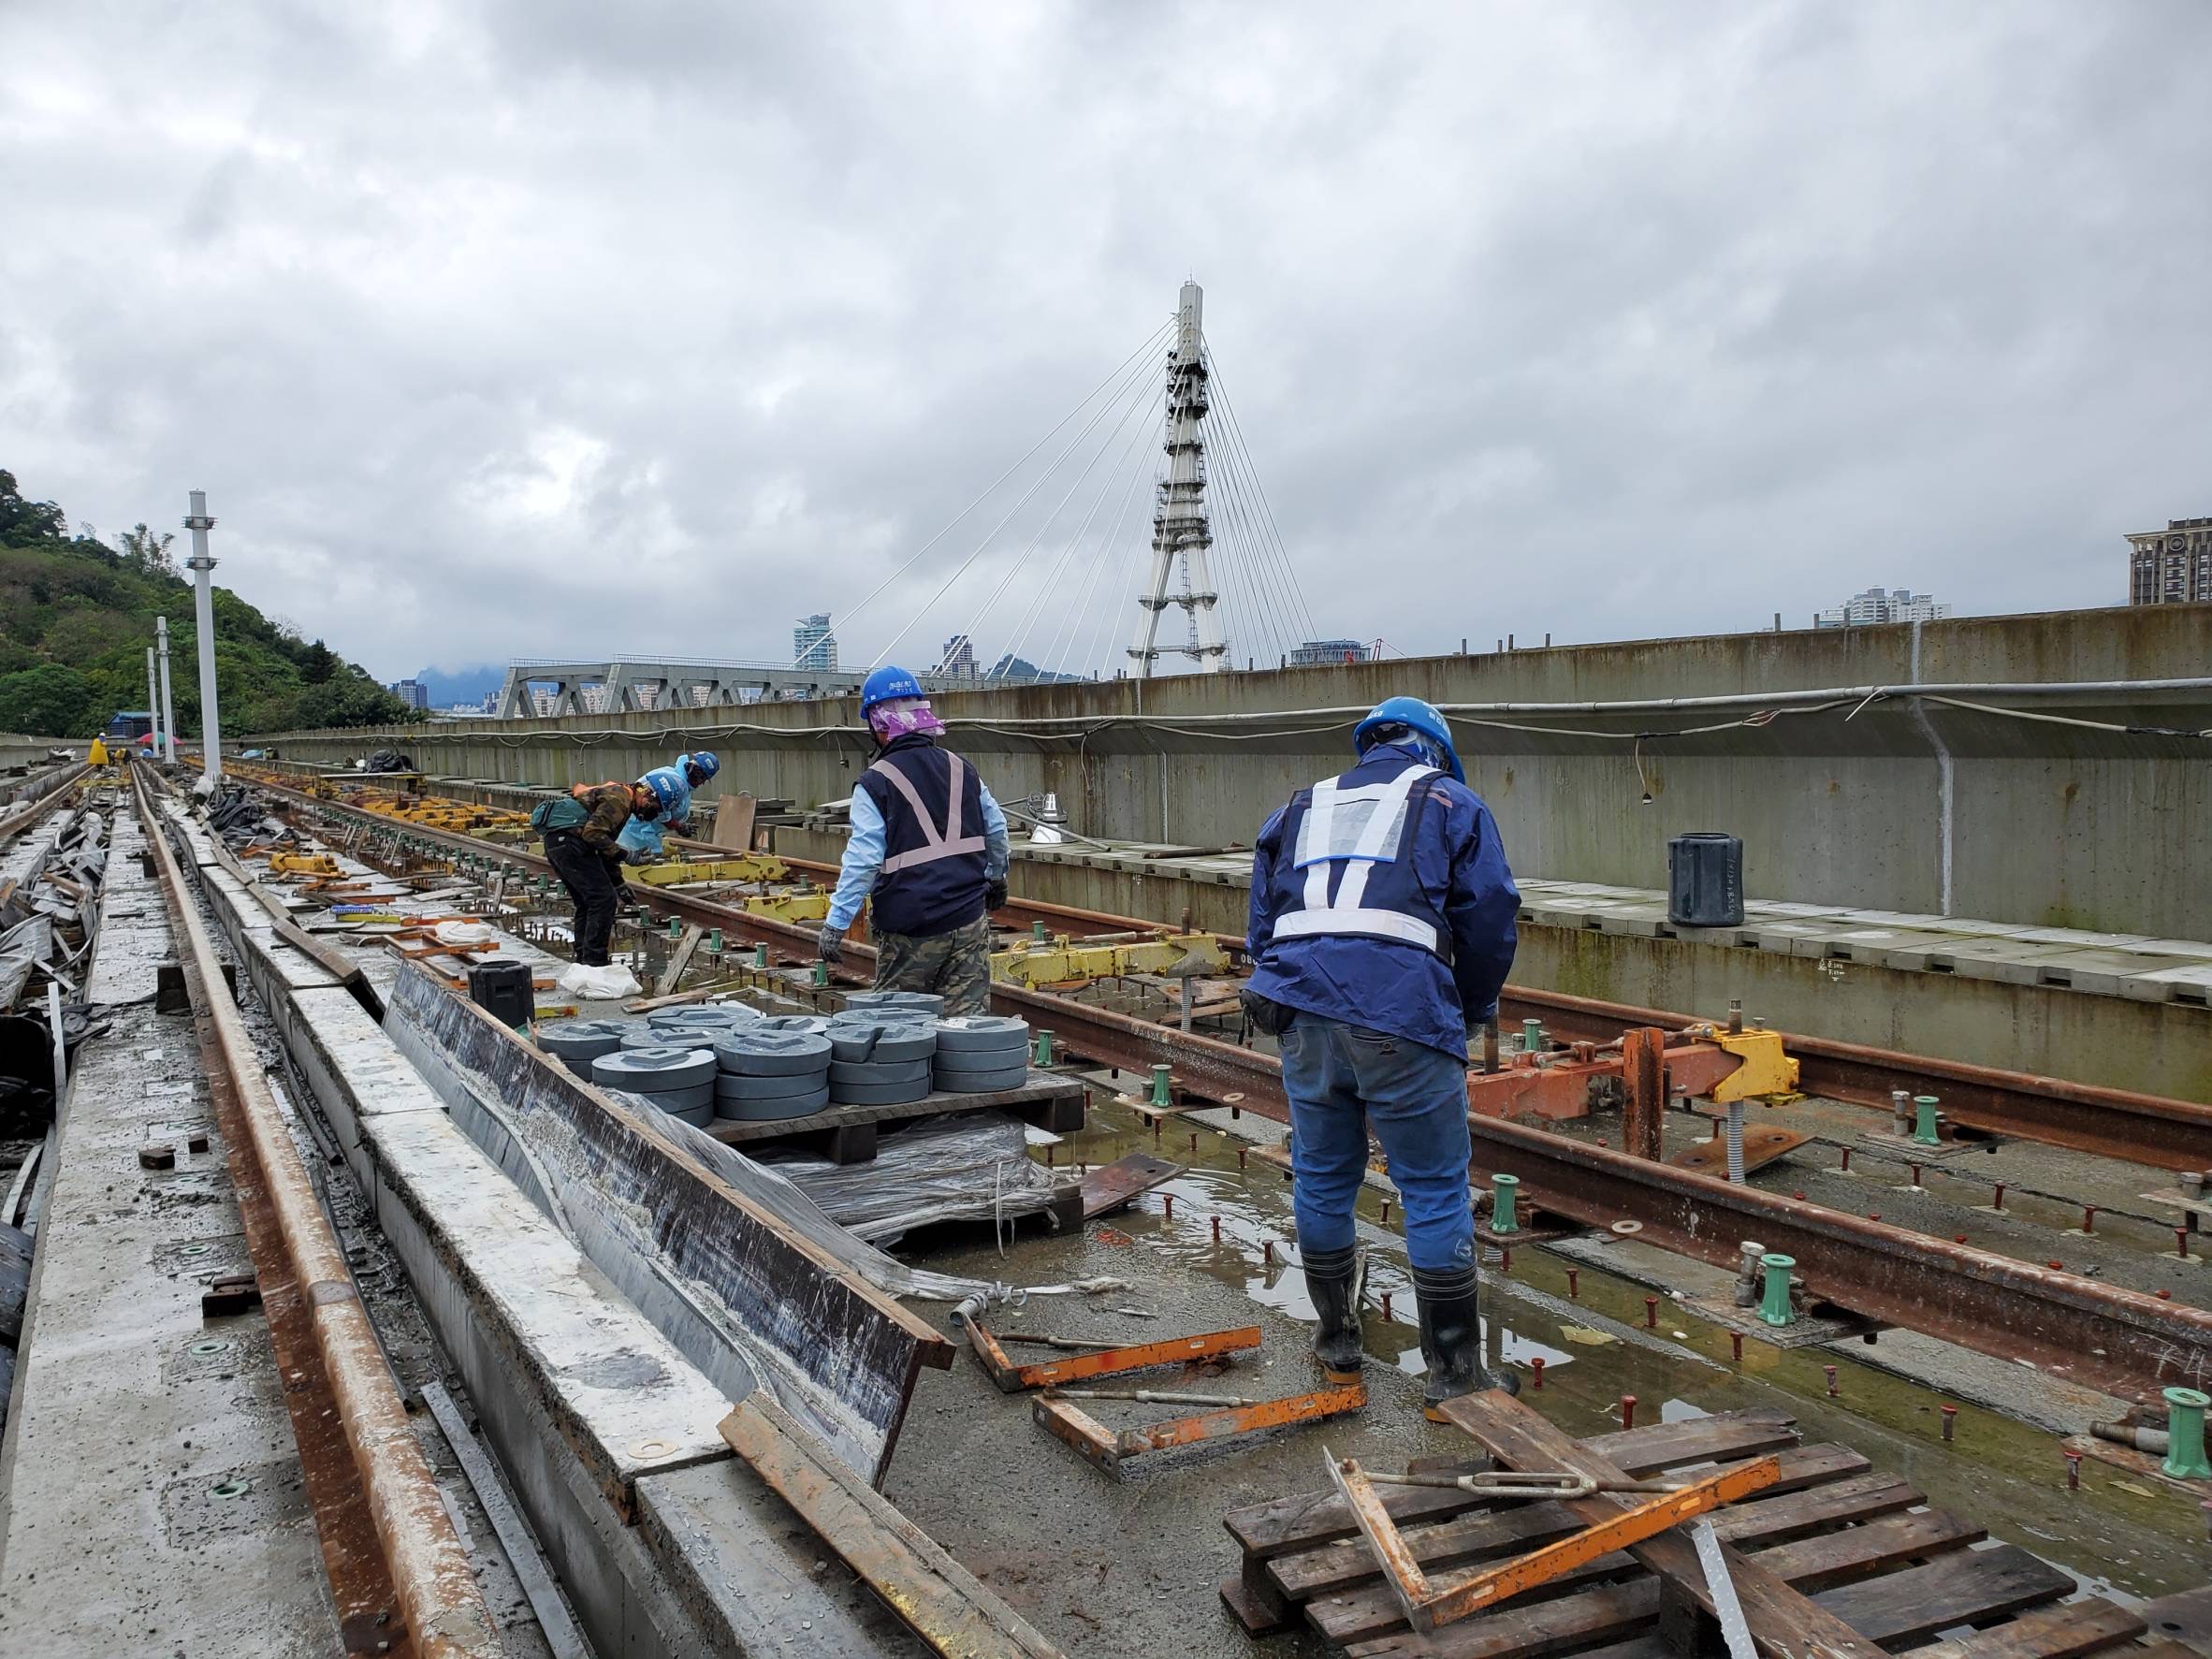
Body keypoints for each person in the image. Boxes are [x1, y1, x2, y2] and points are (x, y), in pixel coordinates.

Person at [1242, 695, 1521, 1418]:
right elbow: (1489, 918)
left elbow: (1262, 923)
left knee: (1324, 1176)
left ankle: (1337, 1344)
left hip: (1301, 1010)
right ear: (1436, 750)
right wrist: (1469, 1004)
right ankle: (1454, 1374)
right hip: (1402, 1014)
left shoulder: (1298, 807)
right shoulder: (1453, 803)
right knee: (1431, 1188)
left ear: (1370, 746)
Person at [817, 666, 1009, 1016]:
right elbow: (996, 828)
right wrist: (997, 876)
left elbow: (864, 859)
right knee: (966, 1033)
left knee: (902, 1032)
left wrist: (837, 922)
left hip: (910, 931)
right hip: (968, 922)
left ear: (877, 725)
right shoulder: (960, 767)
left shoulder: (874, 783)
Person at [536, 778, 659, 968]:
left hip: (558, 843)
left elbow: (603, 847)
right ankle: (594, 962)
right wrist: (627, 855)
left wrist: (618, 883)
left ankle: (584, 961)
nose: (653, 810)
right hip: (570, 843)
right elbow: (592, 834)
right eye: (654, 805)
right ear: (645, 793)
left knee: (587, 903)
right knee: (603, 900)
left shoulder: (619, 797)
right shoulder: (620, 800)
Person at [618, 749, 721, 862]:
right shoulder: (676, 784)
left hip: (639, 833)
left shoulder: (675, 778)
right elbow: (661, 813)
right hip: (634, 836)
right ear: (697, 774)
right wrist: (678, 827)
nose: (701, 783)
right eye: (702, 778)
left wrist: (680, 825)